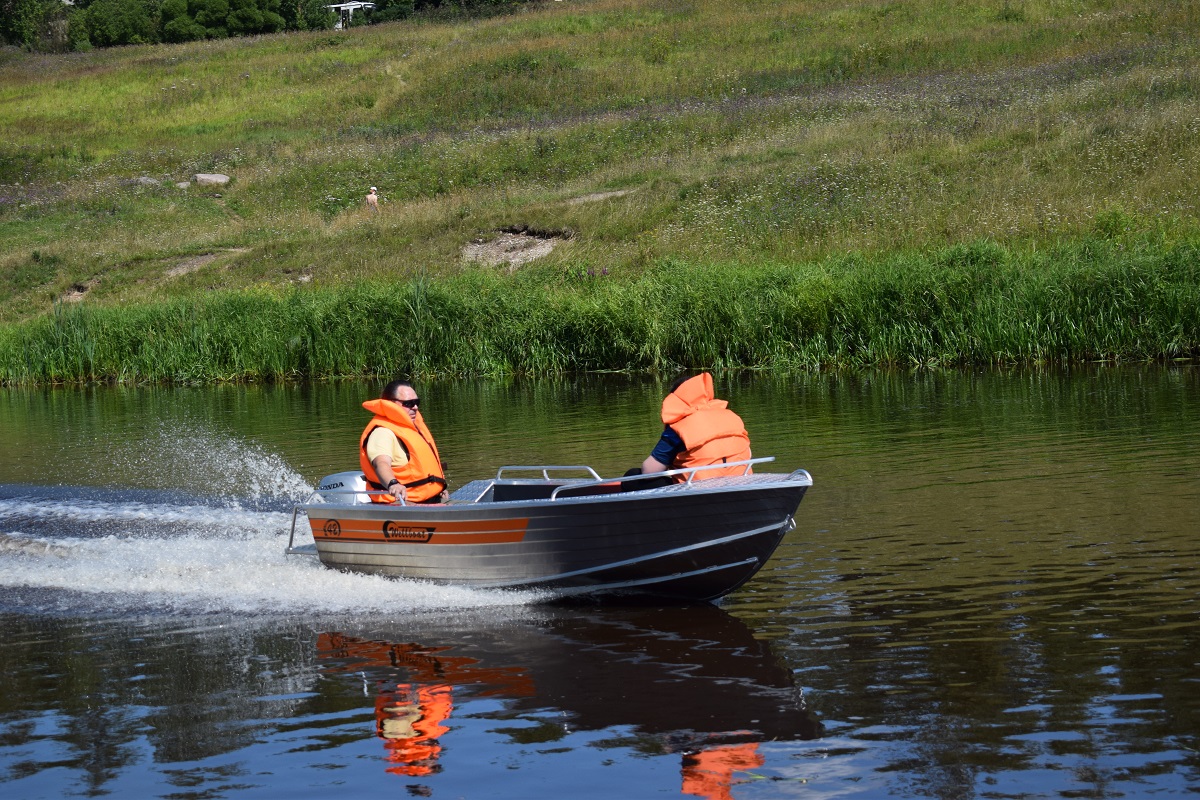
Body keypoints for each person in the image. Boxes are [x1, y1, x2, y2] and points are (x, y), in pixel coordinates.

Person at [629, 373, 752, 486]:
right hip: (742, 482)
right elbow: (748, 454)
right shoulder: (732, 417)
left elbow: (649, 471)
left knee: (631, 477)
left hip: (700, 489)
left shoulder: (678, 428)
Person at [359, 379, 448, 504]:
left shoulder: (410, 428)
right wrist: (393, 484)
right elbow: (381, 463)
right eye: (408, 403)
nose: (415, 407)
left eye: (417, 402)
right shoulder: (382, 432)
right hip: (402, 502)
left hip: (430, 499)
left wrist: (437, 487)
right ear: (391, 403)